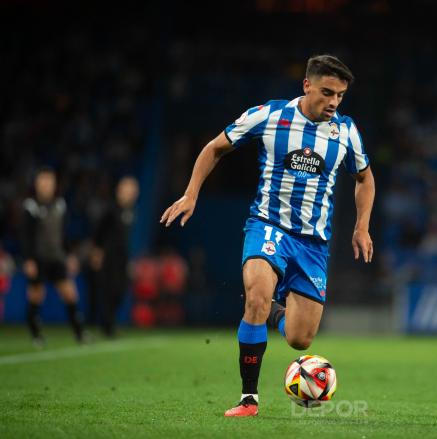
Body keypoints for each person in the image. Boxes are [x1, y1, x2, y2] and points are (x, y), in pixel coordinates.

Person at [160, 55, 375, 417]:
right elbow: (215, 147)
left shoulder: (346, 131)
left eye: (340, 95)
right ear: (307, 86)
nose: (334, 102)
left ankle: (275, 313)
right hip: (268, 226)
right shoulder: (271, 116)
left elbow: (365, 178)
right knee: (256, 297)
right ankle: (249, 398)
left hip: (313, 243)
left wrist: (362, 225)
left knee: (299, 338)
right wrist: (191, 193)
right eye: (327, 93)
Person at [21, 167, 85, 346]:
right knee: (36, 296)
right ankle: (36, 336)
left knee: (70, 294)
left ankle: (79, 333)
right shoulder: (30, 206)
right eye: (43, 181)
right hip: (38, 259)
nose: (46, 185)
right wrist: (28, 259)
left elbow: (63, 234)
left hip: (57, 258)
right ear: (37, 184)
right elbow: (25, 235)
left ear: (54, 184)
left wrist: (70, 255)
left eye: (49, 182)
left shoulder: (60, 205)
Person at [88, 176, 139, 337]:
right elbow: (98, 232)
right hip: (108, 258)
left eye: (132, 191)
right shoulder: (111, 210)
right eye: (127, 190)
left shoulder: (130, 212)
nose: (130, 194)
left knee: (120, 291)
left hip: (122, 258)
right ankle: (107, 326)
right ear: (119, 191)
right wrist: (97, 252)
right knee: (108, 292)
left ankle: (108, 323)